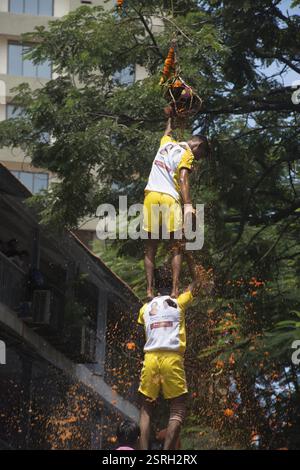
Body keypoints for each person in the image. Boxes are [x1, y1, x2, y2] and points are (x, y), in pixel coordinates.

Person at [137, 255, 201, 450]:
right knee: (178, 408)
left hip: (150, 359)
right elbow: (198, 281)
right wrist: (188, 257)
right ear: (174, 282)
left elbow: (144, 328)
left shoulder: (145, 308)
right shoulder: (179, 302)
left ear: (155, 286)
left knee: (146, 408)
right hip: (172, 359)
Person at [143, 114, 209, 300]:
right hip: (170, 199)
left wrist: (171, 114)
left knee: (150, 248)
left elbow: (167, 130)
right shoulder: (187, 153)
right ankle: (174, 290)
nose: (196, 159)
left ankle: (148, 291)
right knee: (176, 247)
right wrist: (188, 205)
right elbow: (183, 178)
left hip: (151, 196)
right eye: (199, 155)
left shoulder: (166, 143)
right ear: (197, 146)